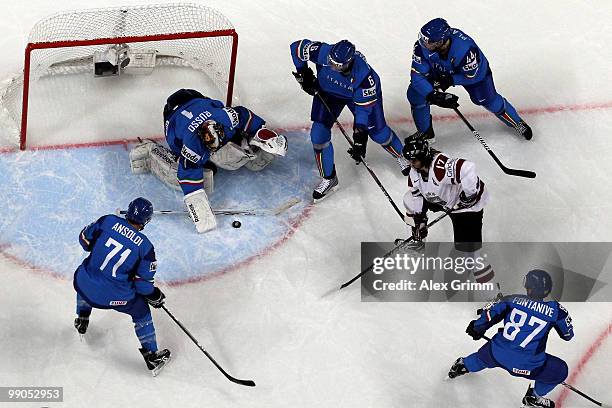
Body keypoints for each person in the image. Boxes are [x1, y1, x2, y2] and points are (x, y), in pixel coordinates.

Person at [129, 89, 288, 233]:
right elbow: (187, 176)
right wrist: (199, 209)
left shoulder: (225, 118)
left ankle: (244, 147)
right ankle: (151, 150)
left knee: (235, 153)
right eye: (209, 146)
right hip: (173, 115)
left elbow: (245, 116)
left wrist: (265, 135)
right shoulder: (192, 145)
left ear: (220, 129)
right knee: (179, 175)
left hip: (196, 98)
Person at [290, 39, 410, 202]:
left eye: (337, 65)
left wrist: (360, 139)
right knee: (318, 135)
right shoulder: (323, 52)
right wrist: (303, 72)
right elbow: (296, 48)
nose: (332, 66)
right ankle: (329, 178)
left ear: (348, 63)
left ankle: (402, 155)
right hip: (328, 92)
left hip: (358, 98)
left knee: (378, 133)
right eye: (331, 62)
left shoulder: (366, 79)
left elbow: (362, 112)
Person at [448, 269, 574, 408]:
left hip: (495, 353)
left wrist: (476, 328)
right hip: (529, 365)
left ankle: (462, 365)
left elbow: (488, 316)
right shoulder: (557, 311)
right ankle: (534, 398)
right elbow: (568, 335)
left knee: (482, 357)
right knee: (560, 370)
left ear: (527, 286)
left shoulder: (511, 299)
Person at [73, 197, 170, 375]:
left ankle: (82, 318)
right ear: (146, 221)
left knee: (87, 280)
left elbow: (84, 241)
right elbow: (142, 287)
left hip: (83, 283)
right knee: (141, 311)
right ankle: (152, 356)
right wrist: (155, 295)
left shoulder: (107, 221)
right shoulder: (146, 248)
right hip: (113, 296)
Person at [407, 18, 532, 142]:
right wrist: (432, 95)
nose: (424, 44)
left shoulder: (465, 50)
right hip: (440, 70)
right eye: (424, 40)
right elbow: (417, 77)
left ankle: (516, 122)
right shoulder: (421, 48)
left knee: (488, 100)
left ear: (442, 41)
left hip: (473, 73)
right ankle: (426, 133)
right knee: (416, 94)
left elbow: (473, 76)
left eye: (430, 42)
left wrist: (450, 80)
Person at [401, 136, 495, 286]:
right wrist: (419, 221)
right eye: (409, 160)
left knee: (470, 255)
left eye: (414, 160)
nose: (411, 163)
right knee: (409, 200)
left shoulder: (440, 166)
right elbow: (416, 194)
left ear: (423, 156)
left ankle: (492, 295)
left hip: (466, 208)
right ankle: (417, 243)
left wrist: (469, 195)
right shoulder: (415, 171)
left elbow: (467, 168)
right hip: (442, 199)